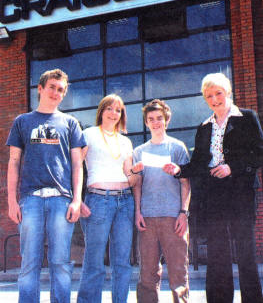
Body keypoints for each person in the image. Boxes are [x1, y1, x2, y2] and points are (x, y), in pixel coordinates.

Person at [163, 72, 263, 303]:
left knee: (246, 253)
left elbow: (258, 153)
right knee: (218, 254)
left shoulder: (247, 117)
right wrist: (179, 170)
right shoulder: (204, 127)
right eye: (209, 96)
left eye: (218, 93)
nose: (214, 99)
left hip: (240, 193)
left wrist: (232, 167)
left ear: (227, 92)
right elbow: (199, 163)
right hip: (214, 195)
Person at [6, 69, 86, 303]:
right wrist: (12, 201)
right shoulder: (22, 122)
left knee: (60, 263)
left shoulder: (70, 123)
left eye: (61, 89)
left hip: (61, 200)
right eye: (52, 87)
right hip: (30, 200)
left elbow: (77, 165)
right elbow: (13, 163)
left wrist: (76, 199)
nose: (56, 93)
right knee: (29, 263)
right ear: (40, 88)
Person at [130, 99, 191, 303]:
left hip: (173, 218)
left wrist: (184, 213)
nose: (155, 123)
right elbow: (137, 185)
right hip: (147, 218)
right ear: (146, 122)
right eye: (151, 119)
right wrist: (138, 212)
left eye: (159, 118)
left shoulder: (177, 147)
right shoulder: (139, 151)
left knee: (178, 274)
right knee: (147, 275)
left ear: (166, 120)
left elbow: (185, 183)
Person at [77, 94, 135, 303]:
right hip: (98, 200)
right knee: (94, 261)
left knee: (122, 262)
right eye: (109, 108)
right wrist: (78, 199)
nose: (113, 113)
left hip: (125, 202)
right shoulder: (89, 134)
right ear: (101, 111)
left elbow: (129, 174)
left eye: (118, 110)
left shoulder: (126, 141)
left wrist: (136, 173)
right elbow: (74, 167)